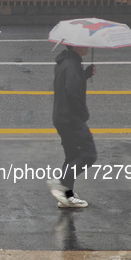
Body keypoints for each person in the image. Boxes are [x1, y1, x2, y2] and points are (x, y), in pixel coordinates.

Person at [47, 45, 97, 208]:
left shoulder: (65, 62)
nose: (88, 47)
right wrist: (84, 114)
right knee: (88, 154)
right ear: (76, 45)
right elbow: (73, 91)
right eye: (85, 44)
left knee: (73, 156)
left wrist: (85, 74)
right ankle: (61, 184)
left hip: (62, 117)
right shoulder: (73, 64)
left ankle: (67, 196)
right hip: (71, 118)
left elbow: (71, 83)